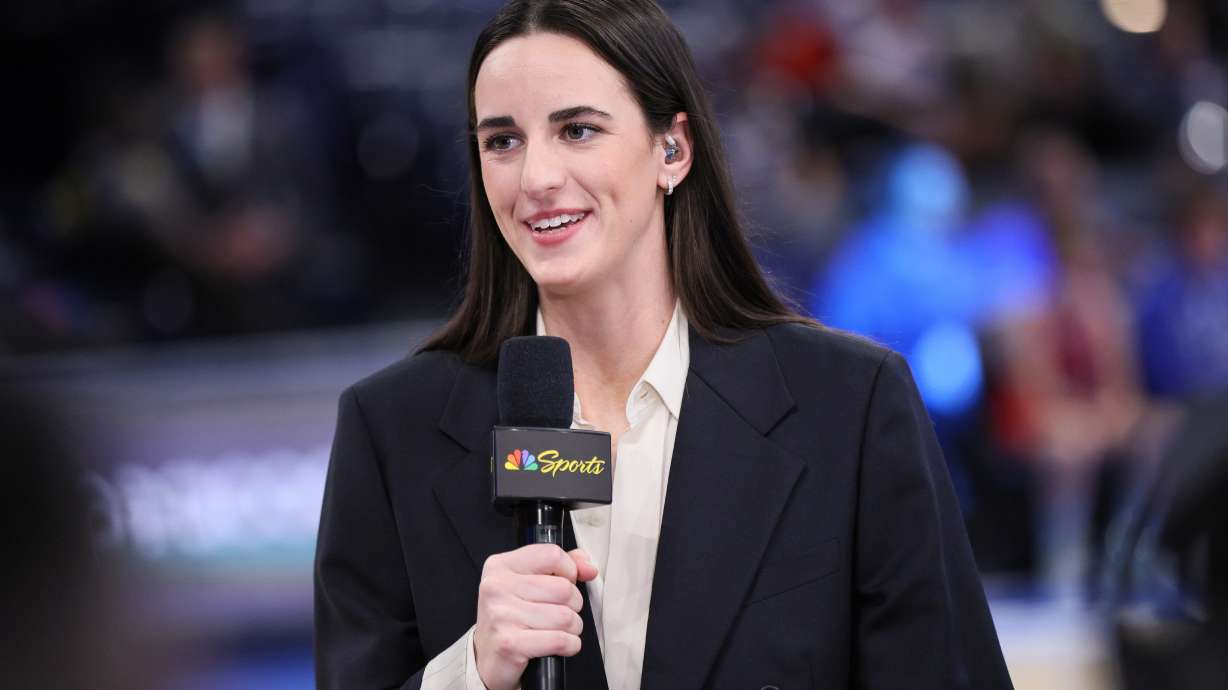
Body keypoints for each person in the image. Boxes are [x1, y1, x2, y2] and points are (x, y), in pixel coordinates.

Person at [313, 1, 1013, 689]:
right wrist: (470, 674)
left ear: (672, 150)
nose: (536, 179)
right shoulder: (391, 432)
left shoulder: (850, 406)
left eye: (578, 130)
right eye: (503, 141)